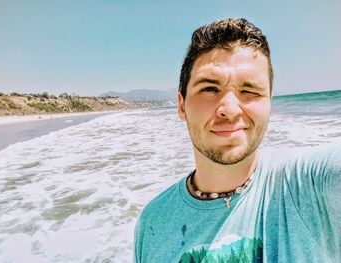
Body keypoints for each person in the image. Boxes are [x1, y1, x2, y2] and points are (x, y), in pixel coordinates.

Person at [134, 18, 341, 263]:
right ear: (182, 105)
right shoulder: (153, 223)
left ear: (269, 102)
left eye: (250, 91)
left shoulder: (308, 186)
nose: (230, 109)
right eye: (209, 89)